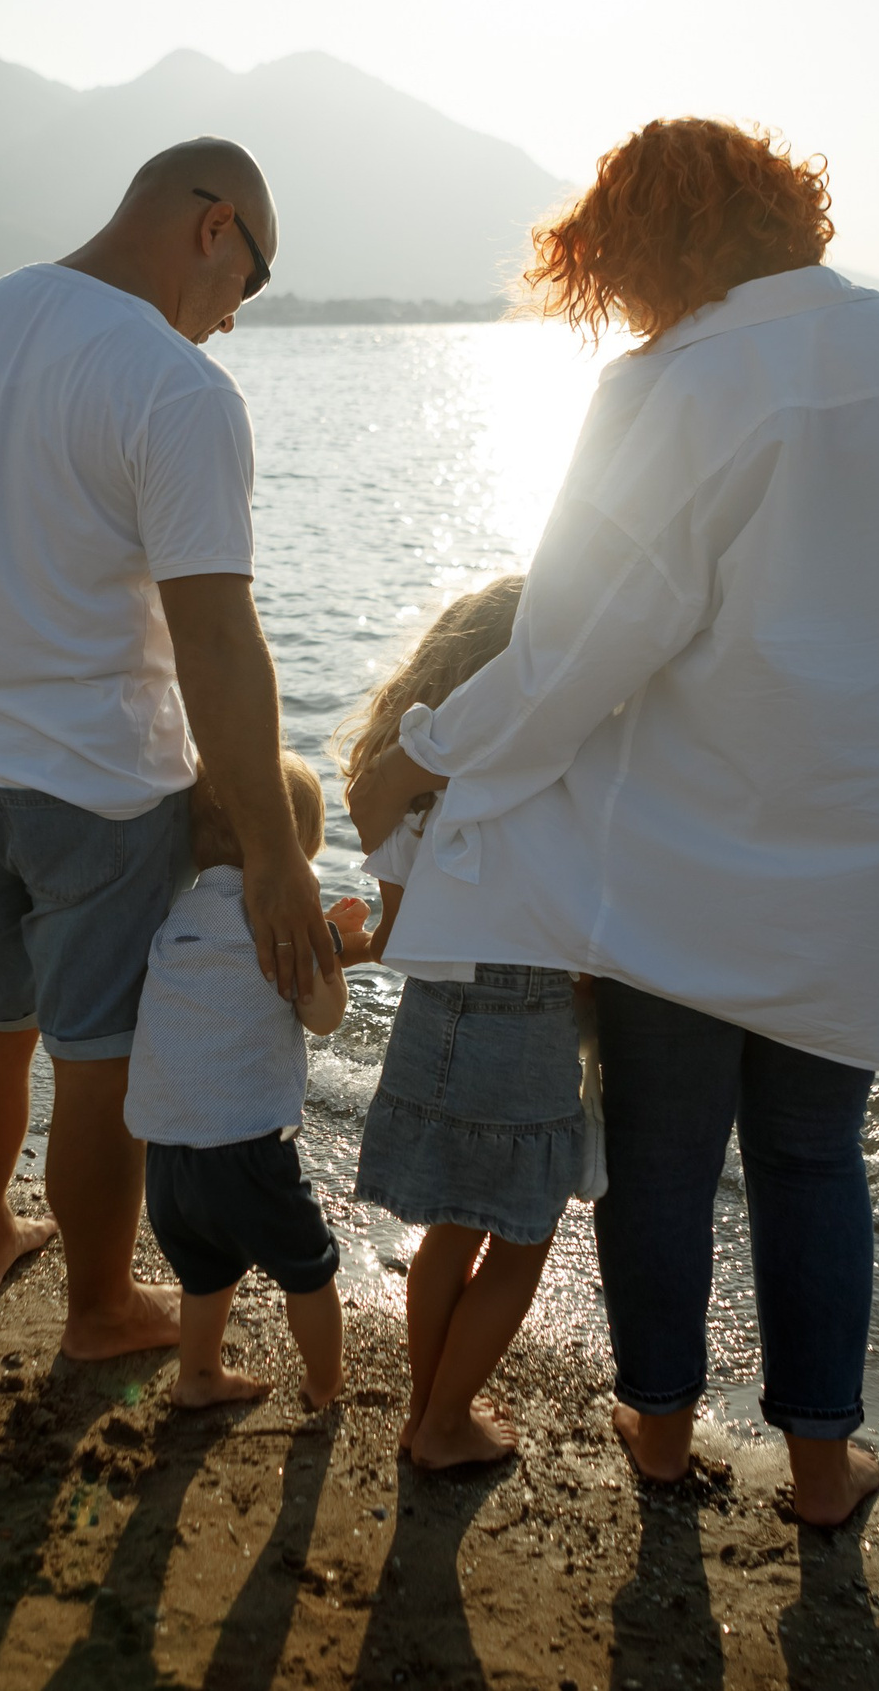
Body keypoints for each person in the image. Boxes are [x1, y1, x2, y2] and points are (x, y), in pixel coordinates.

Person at [348, 117, 879, 1522]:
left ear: (640, 250)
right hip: (863, 859)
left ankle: (657, 1429)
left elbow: (577, 648)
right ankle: (818, 1469)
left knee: (666, 1161)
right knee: (813, 1156)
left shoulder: (669, 384)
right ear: (779, 210)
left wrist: (425, 754)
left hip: (673, 860)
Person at [0, 138, 338, 1362]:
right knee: (97, 1054)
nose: (234, 317)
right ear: (214, 225)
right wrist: (277, 855)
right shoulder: (175, 387)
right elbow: (217, 636)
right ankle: (97, 1309)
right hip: (96, 783)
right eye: (251, 282)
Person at [332, 576, 586, 1470]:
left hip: (432, 1014)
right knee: (521, 1240)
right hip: (526, 1018)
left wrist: (344, 947)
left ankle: (427, 1411)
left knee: (449, 1228)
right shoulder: (559, 774)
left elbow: (399, 931)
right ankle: (443, 1424)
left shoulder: (411, 789)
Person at [123, 753, 354, 1409]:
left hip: (167, 1156)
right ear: (299, 846)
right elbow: (325, 1016)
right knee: (309, 1269)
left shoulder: (181, 915)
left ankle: (197, 1376)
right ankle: (325, 1384)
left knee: (206, 1270)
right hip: (244, 1151)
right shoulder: (279, 920)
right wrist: (329, 954)